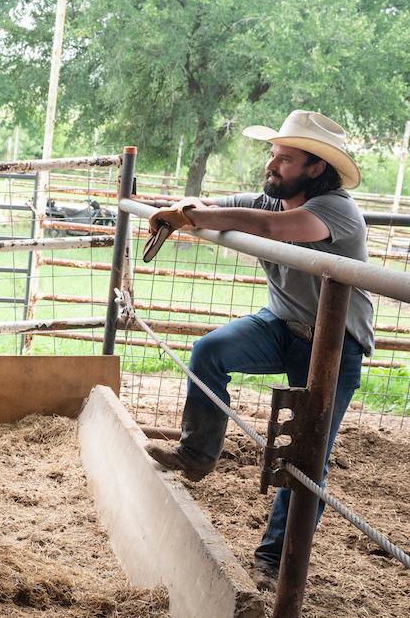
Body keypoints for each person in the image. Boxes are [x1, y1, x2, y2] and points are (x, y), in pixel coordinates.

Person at [144, 110, 373, 590]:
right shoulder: (272, 197)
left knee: (305, 457)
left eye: (285, 158)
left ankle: (274, 562)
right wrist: (188, 206)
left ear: (316, 169)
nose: (273, 164)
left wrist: (195, 216)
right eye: (273, 154)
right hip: (279, 324)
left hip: (333, 344)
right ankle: (198, 453)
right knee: (209, 351)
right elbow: (211, 204)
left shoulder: (336, 211)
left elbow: (270, 228)